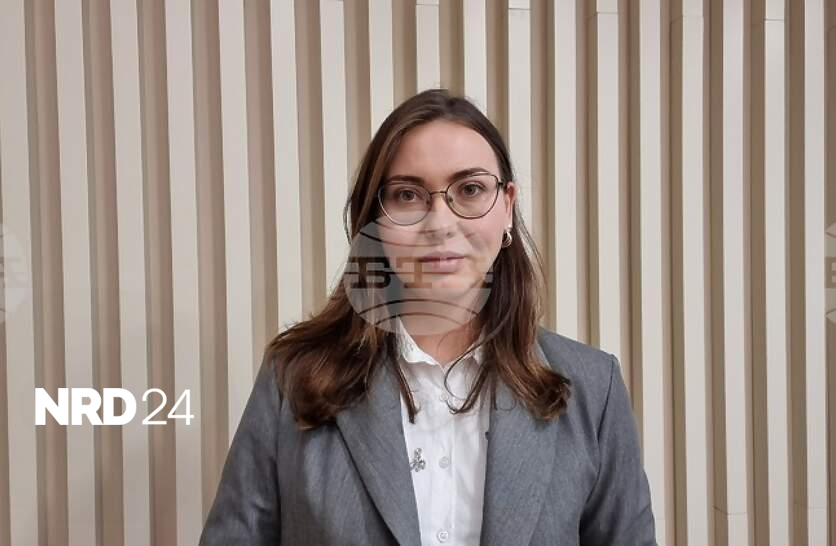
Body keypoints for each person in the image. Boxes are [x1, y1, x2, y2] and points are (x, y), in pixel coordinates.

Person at [199, 88, 657, 545]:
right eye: (407, 195)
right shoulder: (293, 375)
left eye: (470, 189)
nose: (439, 222)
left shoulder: (593, 388)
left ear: (507, 206)